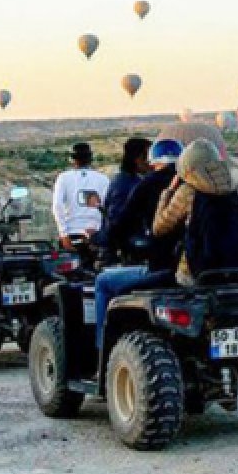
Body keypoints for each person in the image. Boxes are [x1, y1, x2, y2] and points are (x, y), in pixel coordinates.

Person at [93, 138, 183, 348]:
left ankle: (103, 349)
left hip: (163, 268)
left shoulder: (148, 184)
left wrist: (98, 239)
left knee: (102, 282)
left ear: (153, 160)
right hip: (205, 270)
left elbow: (120, 225)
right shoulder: (197, 185)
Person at [153, 138, 238, 286]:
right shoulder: (233, 191)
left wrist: (168, 192)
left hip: (194, 274)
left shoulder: (188, 191)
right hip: (232, 272)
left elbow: (159, 228)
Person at [51, 143, 110, 248]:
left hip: (72, 233)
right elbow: (108, 208)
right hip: (96, 233)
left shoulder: (64, 178)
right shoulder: (103, 179)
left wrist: (63, 234)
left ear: (72, 159)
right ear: (90, 158)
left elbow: (57, 206)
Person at [102, 137, 152, 239]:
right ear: (138, 159)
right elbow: (116, 222)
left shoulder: (126, 180)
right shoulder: (126, 185)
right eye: (149, 157)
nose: (151, 162)